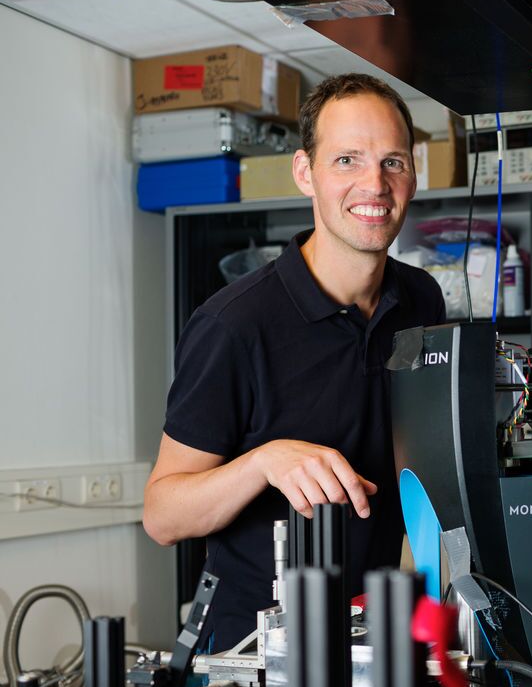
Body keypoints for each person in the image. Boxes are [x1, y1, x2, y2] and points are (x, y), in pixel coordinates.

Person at [143, 74, 446, 650]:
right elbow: (162, 515)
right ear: (305, 172)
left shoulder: (421, 299)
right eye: (348, 160)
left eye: (393, 162)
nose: (374, 185)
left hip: (371, 629)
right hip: (252, 651)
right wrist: (265, 461)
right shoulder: (234, 325)